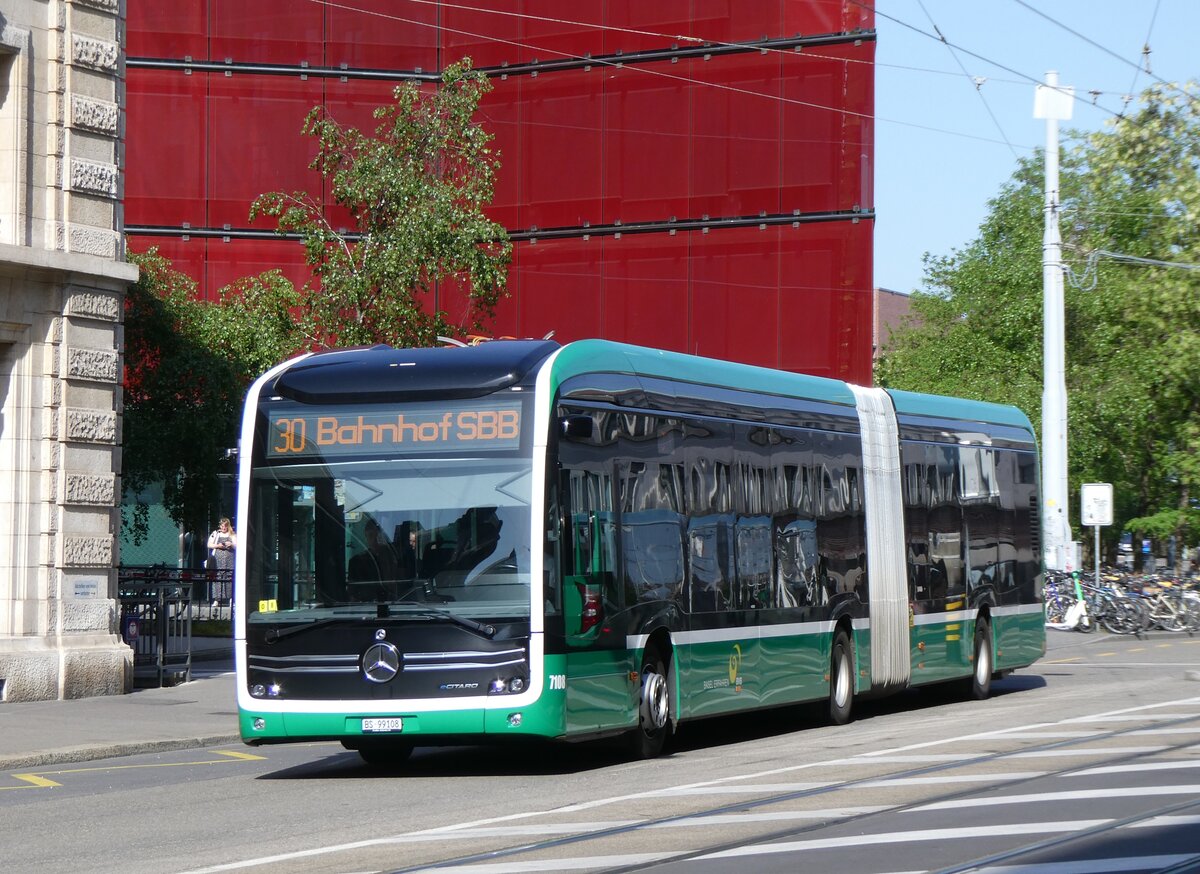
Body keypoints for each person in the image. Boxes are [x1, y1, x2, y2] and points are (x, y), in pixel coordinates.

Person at [207, 517, 236, 611]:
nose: (223, 528)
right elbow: (209, 544)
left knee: (229, 577)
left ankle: (231, 599)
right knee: (217, 578)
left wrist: (231, 545)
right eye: (222, 526)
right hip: (217, 559)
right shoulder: (215, 534)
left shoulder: (232, 534)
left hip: (229, 559)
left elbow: (237, 545)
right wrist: (218, 545)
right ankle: (217, 599)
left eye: (225, 526)